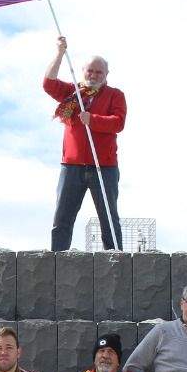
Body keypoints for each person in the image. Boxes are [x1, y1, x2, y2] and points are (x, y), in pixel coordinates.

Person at [44, 36, 126, 250]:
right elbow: (48, 83)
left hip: (104, 167)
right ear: (83, 71)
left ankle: (116, 259)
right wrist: (60, 53)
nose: (94, 75)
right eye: (90, 71)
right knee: (62, 218)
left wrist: (93, 120)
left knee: (109, 218)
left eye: (99, 72)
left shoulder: (115, 95)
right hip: (71, 166)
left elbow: (118, 123)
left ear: (106, 75)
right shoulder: (72, 93)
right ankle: (57, 260)